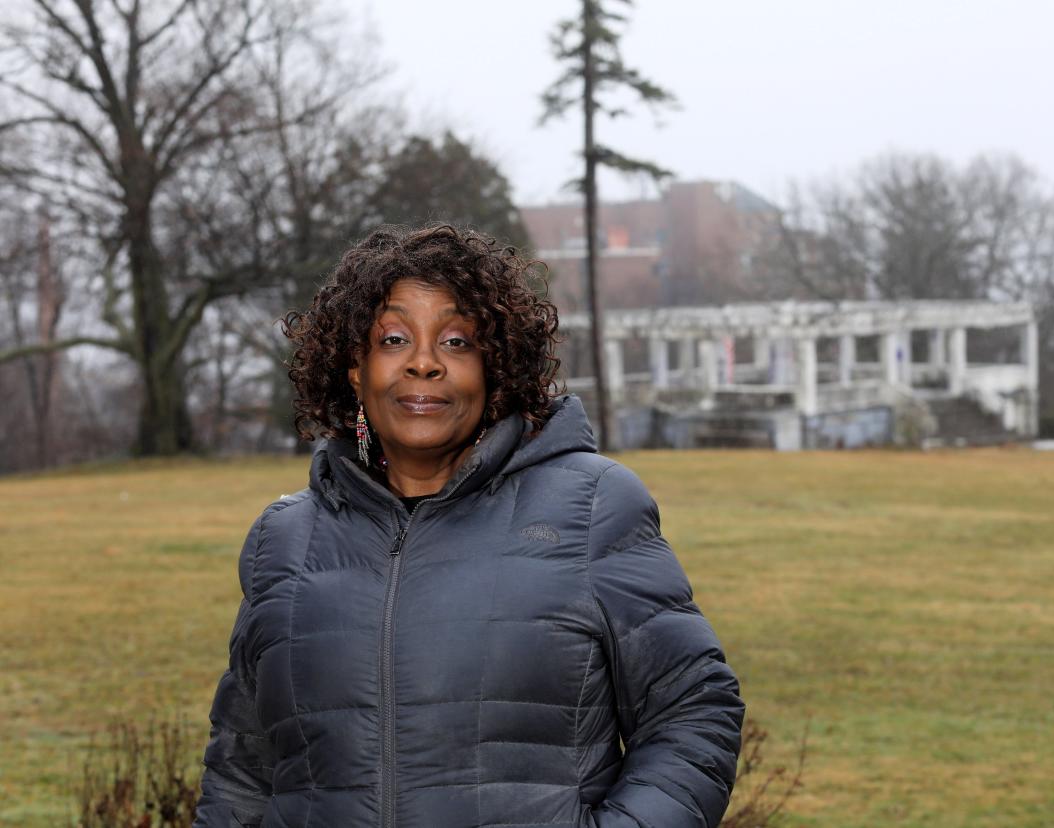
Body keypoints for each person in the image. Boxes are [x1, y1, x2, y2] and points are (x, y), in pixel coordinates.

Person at [193, 224, 745, 828]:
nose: (425, 364)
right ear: (355, 367)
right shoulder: (285, 539)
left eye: (456, 341)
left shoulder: (592, 506)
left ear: (494, 366)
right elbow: (241, 770)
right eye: (395, 338)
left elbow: (693, 708)